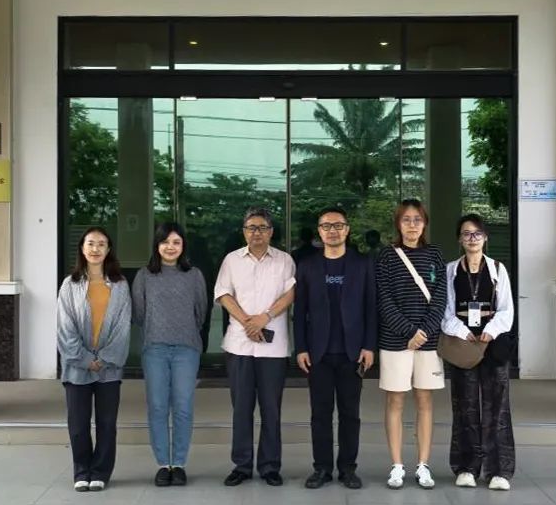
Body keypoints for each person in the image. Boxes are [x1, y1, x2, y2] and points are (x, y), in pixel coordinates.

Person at [293, 207, 377, 490]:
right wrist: (301, 347)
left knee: (350, 414)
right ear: (319, 231)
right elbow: (300, 311)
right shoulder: (307, 265)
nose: (332, 231)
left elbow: (371, 307)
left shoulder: (362, 264)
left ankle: (348, 468)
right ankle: (322, 468)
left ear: (347, 229)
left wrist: (369, 345)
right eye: (326, 226)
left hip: (352, 352)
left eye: (338, 225)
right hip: (318, 353)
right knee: (320, 414)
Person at [214, 206, 296, 486]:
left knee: (271, 409)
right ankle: (242, 465)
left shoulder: (284, 260)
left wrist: (265, 318)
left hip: (273, 349)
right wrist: (248, 322)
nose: (256, 233)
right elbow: (224, 294)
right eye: (251, 228)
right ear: (244, 232)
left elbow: (290, 294)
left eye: (262, 228)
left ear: (271, 232)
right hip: (239, 345)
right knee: (241, 408)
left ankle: (270, 466)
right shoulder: (232, 260)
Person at [375, 199, 448, 490]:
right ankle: (397, 465)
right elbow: (383, 299)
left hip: (428, 343)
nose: (412, 225)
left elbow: (441, 297)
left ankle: (423, 464)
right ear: (398, 223)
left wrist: (424, 332)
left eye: (417, 219)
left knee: (425, 400)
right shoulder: (386, 256)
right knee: (395, 400)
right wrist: (408, 331)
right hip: (395, 341)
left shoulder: (435, 254)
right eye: (406, 219)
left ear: (425, 223)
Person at [442, 213, 516, 491]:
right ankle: (466, 467)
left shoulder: (497, 268)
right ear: (459, 239)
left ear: (485, 238)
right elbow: (445, 310)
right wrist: (463, 331)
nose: (472, 239)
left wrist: (492, 330)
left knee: (497, 406)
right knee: (465, 405)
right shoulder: (451, 270)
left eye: (477, 234)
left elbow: (507, 309)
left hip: (492, 343)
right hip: (463, 343)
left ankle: (499, 470)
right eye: (466, 234)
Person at [132, 222, 208, 487]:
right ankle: (164, 464)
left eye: (176, 242)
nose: (170, 247)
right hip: (155, 348)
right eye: (165, 242)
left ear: (183, 246)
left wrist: (183, 330)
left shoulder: (194, 275)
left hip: (186, 349)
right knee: (157, 406)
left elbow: (201, 312)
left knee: (183, 406)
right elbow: (139, 314)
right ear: (157, 245)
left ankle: (180, 463)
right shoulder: (144, 276)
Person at [56, 226, 132, 493]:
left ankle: (100, 471)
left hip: (109, 369)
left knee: (106, 424)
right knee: (78, 425)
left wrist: (106, 358)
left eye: (101, 244)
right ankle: (81, 471)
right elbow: (64, 327)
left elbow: (123, 326)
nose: (95, 249)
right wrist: (85, 359)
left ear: (108, 249)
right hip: (77, 368)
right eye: (90, 243)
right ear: (82, 248)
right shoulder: (70, 285)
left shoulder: (120, 285)